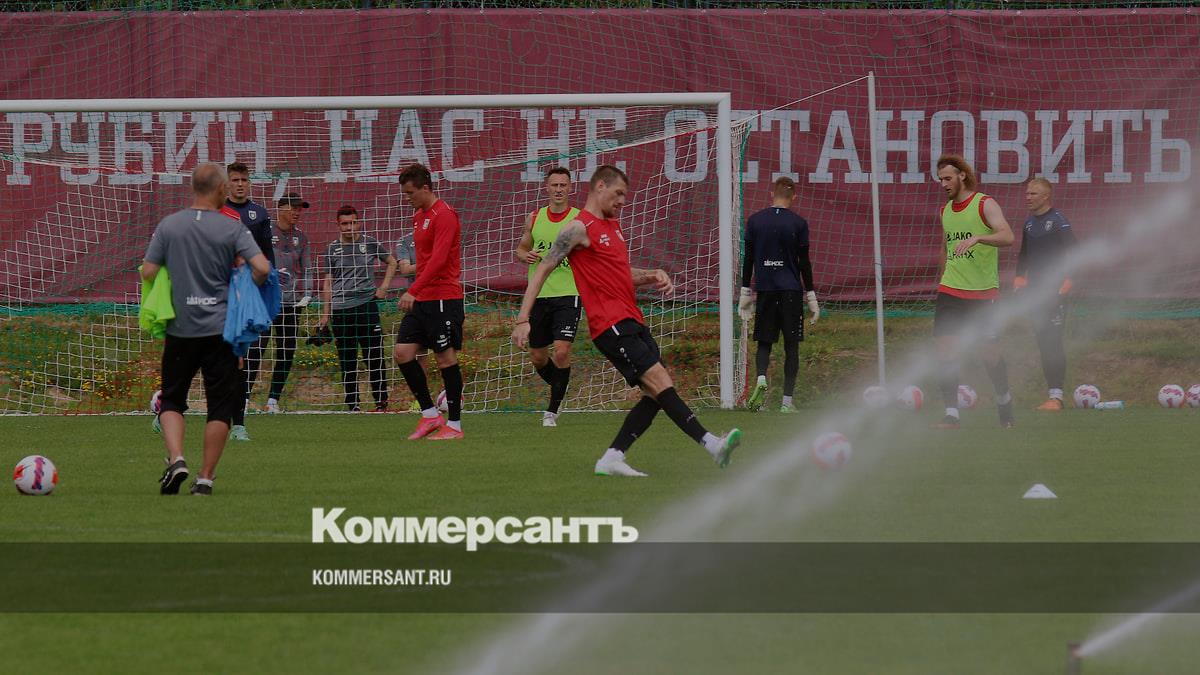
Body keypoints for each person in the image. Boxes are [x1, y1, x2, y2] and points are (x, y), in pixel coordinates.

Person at [512, 165, 741, 477]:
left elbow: (621, 274)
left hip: (632, 319)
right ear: (600, 187)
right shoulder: (578, 228)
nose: (623, 200)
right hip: (610, 324)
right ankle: (713, 445)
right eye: (618, 193)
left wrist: (651, 274)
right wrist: (522, 319)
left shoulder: (613, 227)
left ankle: (613, 457)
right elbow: (543, 268)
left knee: (656, 392)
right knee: (660, 382)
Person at [141, 162, 270, 496]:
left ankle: (177, 458)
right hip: (220, 330)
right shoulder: (232, 227)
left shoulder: (170, 225)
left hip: (180, 328)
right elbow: (262, 268)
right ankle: (205, 479)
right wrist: (241, 286)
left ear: (193, 188)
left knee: (172, 400)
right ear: (221, 189)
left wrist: (177, 274)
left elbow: (149, 271)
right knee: (220, 407)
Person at [933, 154, 1016, 429]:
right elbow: (946, 247)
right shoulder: (945, 210)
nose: (944, 184)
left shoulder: (984, 203)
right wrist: (943, 279)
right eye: (940, 179)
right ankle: (951, 415)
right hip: (950, 291)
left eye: (948, 178)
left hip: (982, 294)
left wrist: (979, 237)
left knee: (989, 354)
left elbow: (1008, 236)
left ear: (962, 176)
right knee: (945, 350)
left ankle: (1004, 402)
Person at [393, 164, 467, 441]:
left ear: (426, 188)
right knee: (402, 352)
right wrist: (417, 291)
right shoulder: (419, 216)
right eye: (405, 193)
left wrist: (413, 289)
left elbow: (439, 260)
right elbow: (425, 261)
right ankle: (430, 415)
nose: (407, 198)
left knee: (445, 358)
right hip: (423, 297)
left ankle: (455, 426)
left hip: (443, 297)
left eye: (410, 193)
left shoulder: (445, 215)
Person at [738, 176, 820, 413]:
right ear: (794, 197)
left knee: (764, 342)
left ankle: (761, 378)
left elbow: (748, 259)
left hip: (765, 289)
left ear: (772, 194)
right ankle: (786, 402)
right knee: (791, 347)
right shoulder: (798, 223)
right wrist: (811, 296)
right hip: (790, 292)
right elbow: (804, 263)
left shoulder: (755, 220)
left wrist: (745, 291)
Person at [514, 167, 581, 427]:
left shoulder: (579, 218)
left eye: (563, 185)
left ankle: (551, 410)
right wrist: (525, 255)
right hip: (538, 295)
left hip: (568, 293)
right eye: (554, 185)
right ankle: (561, 386)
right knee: (538, 357)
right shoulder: (534, 217)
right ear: (546, 188)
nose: (559, 189)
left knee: (562, 351)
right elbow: (521, 248)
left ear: (570, 188)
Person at [315, 205, 397, 412]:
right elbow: (328, 283)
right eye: (345, 224)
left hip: (367, 307)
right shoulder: (332, 249)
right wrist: (325, 314)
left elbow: (392, 262)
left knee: (375, 356)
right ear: (338, 225)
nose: (349, 227)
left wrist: (384, 287)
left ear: (358, 223)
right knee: (348, 360)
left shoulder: (369, 243)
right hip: (341, 311)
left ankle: (381, 404)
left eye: (353, 223)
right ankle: (353, 405)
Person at [221, 161, 274, 441]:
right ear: (226, 183)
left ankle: (238, 424)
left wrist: (261, 291)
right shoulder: (218, 214)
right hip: (217, 295)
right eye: (235, 180)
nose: (240, 184)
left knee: (243, 359)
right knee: (209, 357)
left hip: (248, 296)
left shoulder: (259, 214)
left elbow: (267, 258)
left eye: (244, 180)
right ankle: (168, 406)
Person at [1015, 177, 1077, 411]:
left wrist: (1065, 286)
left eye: (1033, 194)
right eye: (1027, 193)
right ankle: (1052, 396)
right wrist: (1019, 281)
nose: (1028, 197)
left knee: (1053, 341)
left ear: (1046, 196)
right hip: (1036, 294)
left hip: (1055, 293)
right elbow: (1023, 256)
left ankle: (1057, 397)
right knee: (1043, 341)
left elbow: (1075, 254)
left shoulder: (1059, 221)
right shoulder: (1029, 223)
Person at [263, 193, 312, 414]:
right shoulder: (266, 232)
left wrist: (308, 294)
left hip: (291, 303)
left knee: (286, 350)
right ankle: (243, 398)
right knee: (256, 349)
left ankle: (273, 400)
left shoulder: (301, 238)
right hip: (266, 301)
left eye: (300, 209)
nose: (297, 213)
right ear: (281, 208)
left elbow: (307, 268)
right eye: (293, 208)